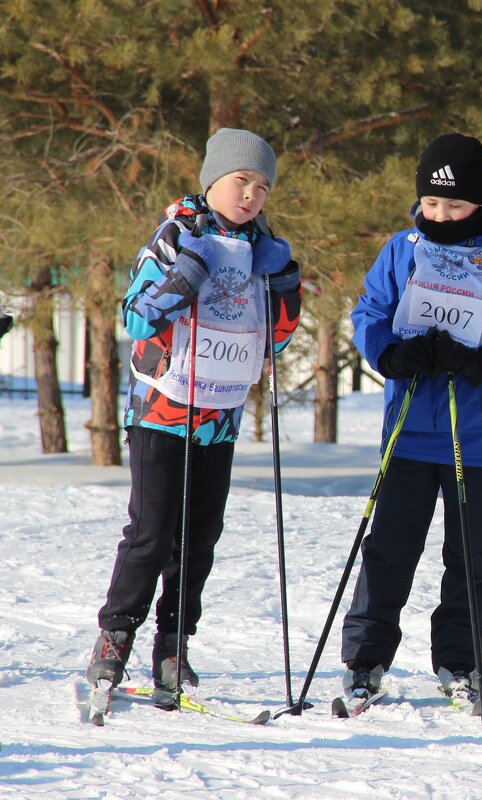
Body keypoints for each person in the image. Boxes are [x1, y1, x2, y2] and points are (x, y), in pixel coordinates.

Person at [341, 132, 482, 712]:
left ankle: (460, 663)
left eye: (455, 206)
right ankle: (365, 662)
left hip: (479, 440)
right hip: (409, 431)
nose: (440, 215)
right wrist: (390, 353)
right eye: (432, 205)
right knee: (389, 548)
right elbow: (369, 313)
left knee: (469, 555)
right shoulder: (402, 249)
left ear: (479, 203)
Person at [86, 128, 303, 693]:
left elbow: (272, 343)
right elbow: (135, 318)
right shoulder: (175, 235)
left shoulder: (263, 246)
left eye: (261, 186)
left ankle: (173, 646)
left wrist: (286, 289)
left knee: (199, 537)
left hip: (220, 413)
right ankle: (115, 638)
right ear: (213, 181)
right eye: (241, 181)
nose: (251, 195)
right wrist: (186, 277)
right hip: (162, 408)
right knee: (152, 532)